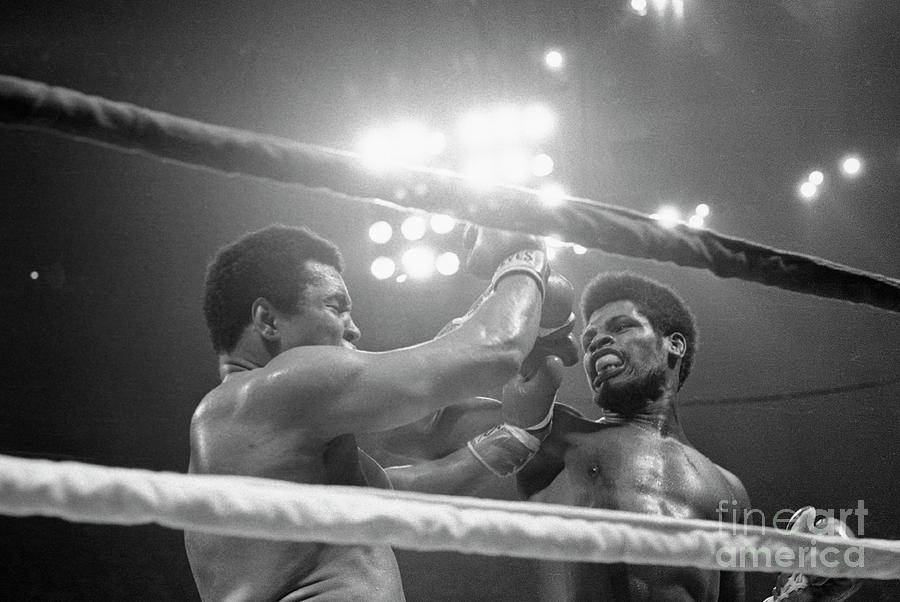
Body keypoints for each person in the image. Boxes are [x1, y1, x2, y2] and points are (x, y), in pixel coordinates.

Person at [184, 223, 576, 601]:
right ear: (268, 321)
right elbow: (494, 351)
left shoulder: (253, 431)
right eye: (335, 306)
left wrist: (518, 437)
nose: (353, 329)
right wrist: (522, 256)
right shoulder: (275, 388)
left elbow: (398, 484)